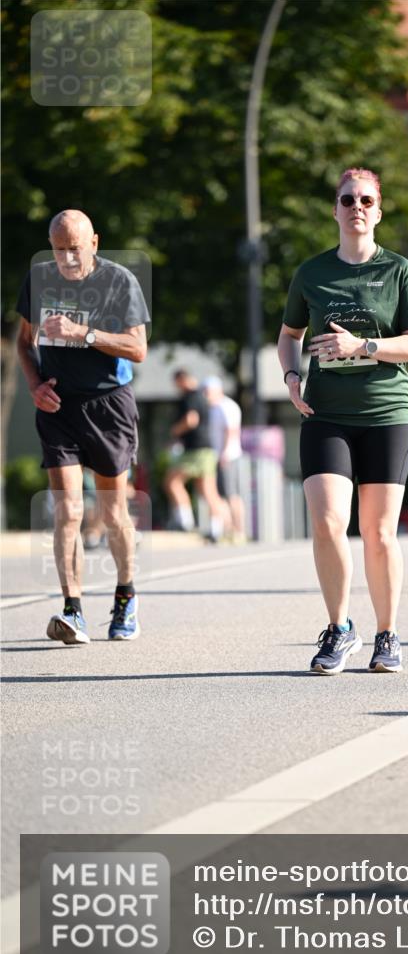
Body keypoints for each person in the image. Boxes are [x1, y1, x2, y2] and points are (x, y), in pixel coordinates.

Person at [278, 167, 408, 675]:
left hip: (387, 414)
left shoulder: (399, 271)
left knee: (379, 532)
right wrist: (291, 375)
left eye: (367, 199)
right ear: (336, 209)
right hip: (326, 414)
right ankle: (340, 628)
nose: (357, 207)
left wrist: (362, 346)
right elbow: (288, 335)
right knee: (326, 523)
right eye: (348, 199)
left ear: (379, 211)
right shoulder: (313, 273)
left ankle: (387, 635)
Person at [16, 209, 149, 642]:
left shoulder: (118, 281)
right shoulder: (39, 279)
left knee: (112, 513)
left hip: (109, 404)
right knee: (69, 510)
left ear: (94, 242)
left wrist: (82, 332)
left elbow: (138, 348)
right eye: (59, 249)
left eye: (75, 248)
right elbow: (23, 340)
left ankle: (125, 598)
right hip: (58, 406)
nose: (68, 258)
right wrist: (35, 384)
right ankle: (72, 609)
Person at [164, 370, 228, 541]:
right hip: (206, 449)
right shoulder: (201, 396)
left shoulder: (190, 396)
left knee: (172, 482)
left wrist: (175, 430)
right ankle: (216, 529)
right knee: (208, 491)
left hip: (195, 450)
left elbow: (191, 420)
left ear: (182, 380)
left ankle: (185, 521)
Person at [203, 376, 246, 543]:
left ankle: (239, 530)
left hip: (228, 456)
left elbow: (231, 431)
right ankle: (226, 529)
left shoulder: (227, 407)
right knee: (219, 495)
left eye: (208, 392)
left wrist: (226, 452)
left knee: (231, 494)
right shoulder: (212, 408)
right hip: (215, 456)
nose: (206, 396)